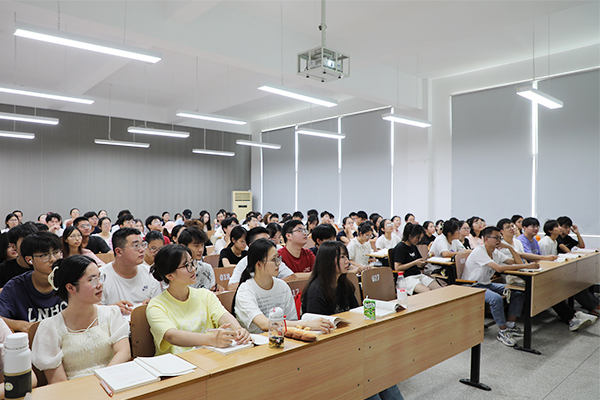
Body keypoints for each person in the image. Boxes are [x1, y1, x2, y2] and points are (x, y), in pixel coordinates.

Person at [302, 241, 405, 400]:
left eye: (347, 256)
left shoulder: (345, 284)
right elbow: (318, 332)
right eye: (342, 257)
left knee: (381, 374)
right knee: (372, 378)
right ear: (328, 260)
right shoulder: (316, 291)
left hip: (350, 341)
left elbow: (357, 313)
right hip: (331, 350)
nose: (347, 261)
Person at [31, 255, 130, 382]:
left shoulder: (111, 313)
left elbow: (124, 352)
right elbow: (58, 383)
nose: (99, 284)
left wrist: (105, 381)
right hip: (74, 389)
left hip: (113, 382)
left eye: (99, 277)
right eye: (92, 280)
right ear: (70, 288)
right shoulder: (50, 327)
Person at [147, 244, 251, 355]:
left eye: (192, 263)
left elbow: (223, 316)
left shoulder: (205, 295)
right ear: (170, 276)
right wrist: (212, 339)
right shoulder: (156, 306)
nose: (193, 269)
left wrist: (238, 330)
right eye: (187, 265)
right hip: (178, 361)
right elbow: (172, 336)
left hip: (209, 356)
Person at [233, 238, 333, 334]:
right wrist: (306, 324)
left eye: (278, 258)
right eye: (274, 259)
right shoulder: (245, 290)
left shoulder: (282, 286)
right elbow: (263, 324)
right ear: (259, 265)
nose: (278, 263)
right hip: (256, 342)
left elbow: (292, 320)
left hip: (283, 337)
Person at [462, 226, 530, 346]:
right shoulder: (479, 251)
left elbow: (518, 263)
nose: (499, 240)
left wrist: (509, 247)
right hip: (473, 286)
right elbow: (499, 268)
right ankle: (503, 332)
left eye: (500, 237)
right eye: (496, 237)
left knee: (517, 291)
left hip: (487, 284)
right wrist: (527, 266)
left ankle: (510, 325)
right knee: (496, 299)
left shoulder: (495, 252)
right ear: (486, 239)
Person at [0, 231, 67, 333]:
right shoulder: (15, 288)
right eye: (45, 255)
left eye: (56, 252)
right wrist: (21, 325)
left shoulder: (68, 280)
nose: (53, 259)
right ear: (29, 260)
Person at [99, 228, 162, 315]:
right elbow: (94, 311)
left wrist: (153, 303)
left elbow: (160, 306)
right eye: (136, 246)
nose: (142, 250)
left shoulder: (150, 273)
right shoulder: (101, 276)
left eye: (143, 244)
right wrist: (111, 309)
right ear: (119, 252)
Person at [227, 227, 296, 291]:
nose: (269, 245)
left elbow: (292, 277)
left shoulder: (274, 260)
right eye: (263, 242)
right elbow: (232, 287)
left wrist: (272, 285)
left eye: (269, 240)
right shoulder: (244, 262)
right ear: (252, 246)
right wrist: (262, 286)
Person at [393, 224, 442, 294]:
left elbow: (421, 264)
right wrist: (414, 263)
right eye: (417, 238)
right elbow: (397, 267)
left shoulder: (413, 246)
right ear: (410, 236)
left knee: (439, 289)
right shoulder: (400, 248)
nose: (418, 240)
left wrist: (428, 257)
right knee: (428, 292)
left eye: (420, 238)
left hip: (418, 275)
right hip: (407, 278)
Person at [0, 223, 39, 287]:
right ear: (13, 246)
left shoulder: (43, 265)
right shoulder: (3, 269)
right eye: (24, 242)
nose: (30, 245)